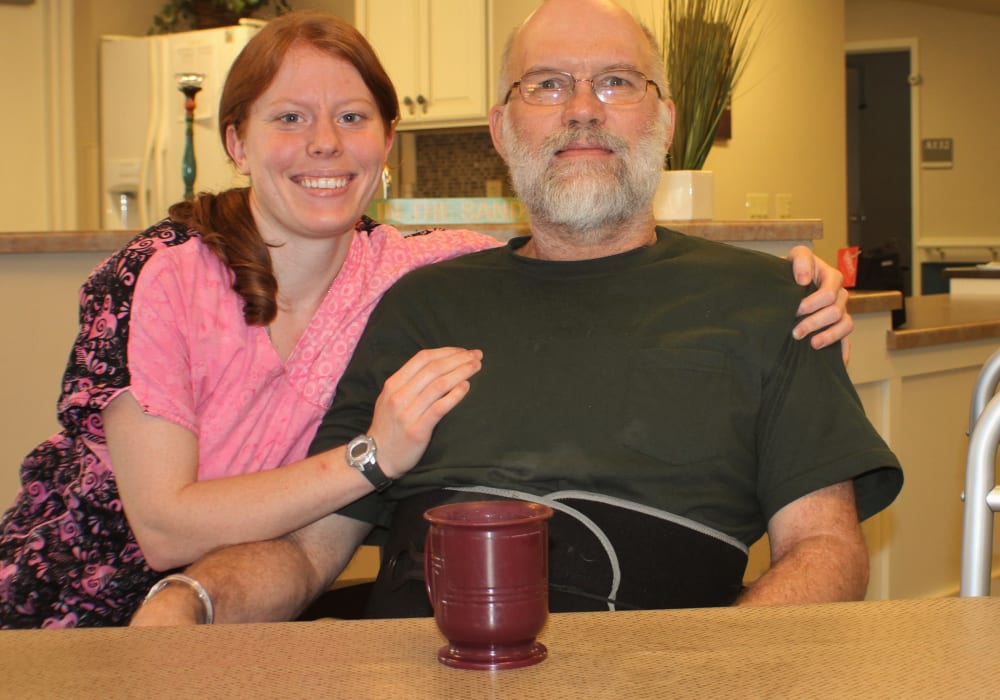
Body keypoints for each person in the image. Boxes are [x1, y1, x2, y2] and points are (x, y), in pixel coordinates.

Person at [129, 0, 899, 626]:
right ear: (502, 131)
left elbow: (825, 550)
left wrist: (707, 668)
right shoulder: (424, 303)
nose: (583, 111)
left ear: (663, 121)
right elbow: (305, 554)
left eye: (618, 83)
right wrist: (191, 599)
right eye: (548, 85)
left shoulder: (770, 304)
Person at [0, 11, 494, 629]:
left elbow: (545, 256)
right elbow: (165, 528)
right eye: (289, 117)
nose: (325, 142)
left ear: (386, 140)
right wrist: (373, 457)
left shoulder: (401, 270)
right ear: (237, 143)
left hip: (233, 623)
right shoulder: (159, 277)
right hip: (62, 617)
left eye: (352, 116)